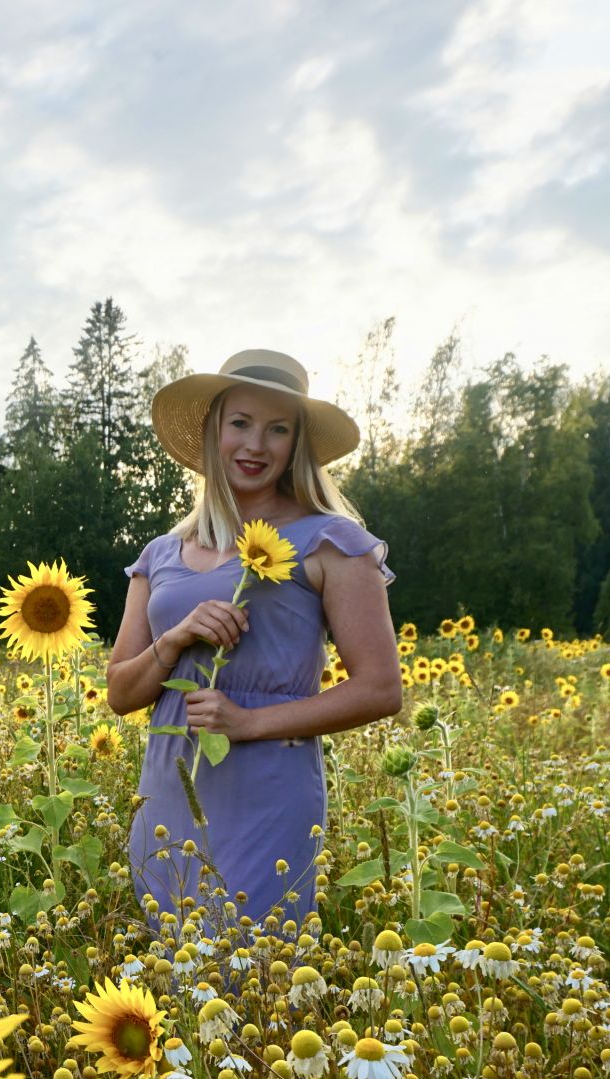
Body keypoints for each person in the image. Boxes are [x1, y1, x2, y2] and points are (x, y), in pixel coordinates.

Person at [106, 349, 402, 940]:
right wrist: (174, 641)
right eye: (240, 423)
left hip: (269, 786)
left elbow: (380, 689)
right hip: (167, 789)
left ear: (297, 445)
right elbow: (120, 692)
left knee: (254, 971)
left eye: (278, 429)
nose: (256, 445)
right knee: (177, 977)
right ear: (215, 430)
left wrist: (246, 723)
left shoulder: (330, 542)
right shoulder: (160, 554)